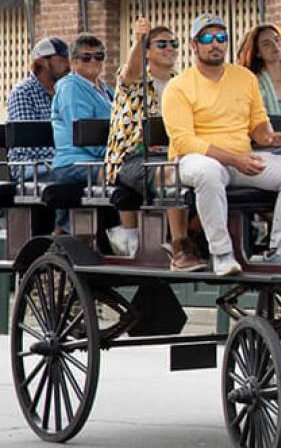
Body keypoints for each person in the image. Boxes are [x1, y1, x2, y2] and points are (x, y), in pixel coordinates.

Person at [161, 13, 281, 276]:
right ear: (193, 45)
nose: (215, 43)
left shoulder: (244, 78)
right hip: (194, 160)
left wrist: (268, 136)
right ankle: (222, 253)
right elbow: (184, 141)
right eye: (207, 38)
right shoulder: (178, 86)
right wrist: (235, 159)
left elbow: (258, 124)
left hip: (241, 159)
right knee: (208, 171)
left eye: (221, 37)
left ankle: (280, 250)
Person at [103, 18, 204, 270]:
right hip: (134, 159)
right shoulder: (136, 81)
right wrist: (139, 39)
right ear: (147, 51)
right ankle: (180, 246)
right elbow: (130, 71)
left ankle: (197, 234)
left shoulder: (183, 84)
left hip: (177, 153)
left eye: (174, 43)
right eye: (161, 44)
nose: (169, 48)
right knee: (172, 174)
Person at [49, 34, 114, 232]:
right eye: (87, 57)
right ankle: (122, 232)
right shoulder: (71, 87)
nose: (94, 61)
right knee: (125, 175)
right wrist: (114, 155)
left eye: (99, 56)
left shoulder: (104, 88)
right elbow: (83, 133)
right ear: (73, 61)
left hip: (100, 159)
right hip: (74, 162)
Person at [6, 36, 70, 177]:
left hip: (59, 163)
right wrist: (67, 157)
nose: (68, 64)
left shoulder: (64, 92)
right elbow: (29, 146)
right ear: (43, 61)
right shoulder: (23, 93)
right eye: (62, 59)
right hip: (29, 166)